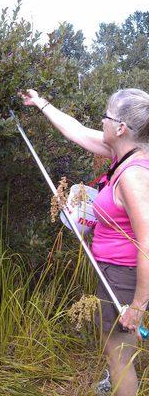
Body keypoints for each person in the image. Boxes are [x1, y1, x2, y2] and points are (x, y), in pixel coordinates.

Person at [19, 88, 149, 396]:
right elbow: (75, 131)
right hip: (116, 271)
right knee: (119, 350)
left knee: (117, 354)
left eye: (106, 116)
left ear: (121, 128)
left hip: (124, 274)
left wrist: (138, 306)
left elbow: (147, 243)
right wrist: (41, 103)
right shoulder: (125, 152)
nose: (101, 121)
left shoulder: (133, 175)